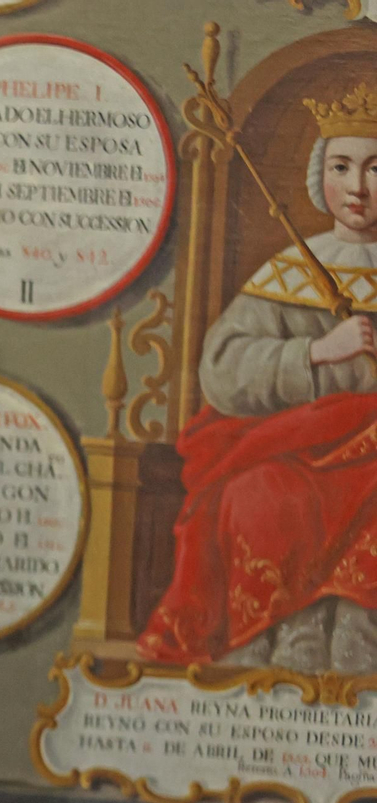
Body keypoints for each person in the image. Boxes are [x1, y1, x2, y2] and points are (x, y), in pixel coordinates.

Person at [138, 84, 377, 672]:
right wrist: (318, 352)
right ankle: (285, 633)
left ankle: (354, 629)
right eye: (342, 167)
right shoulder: (293, 272)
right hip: (293, 447)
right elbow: (222, 369)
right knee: (259, 495)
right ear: (321, 175)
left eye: (376, 168)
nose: (359, 188)